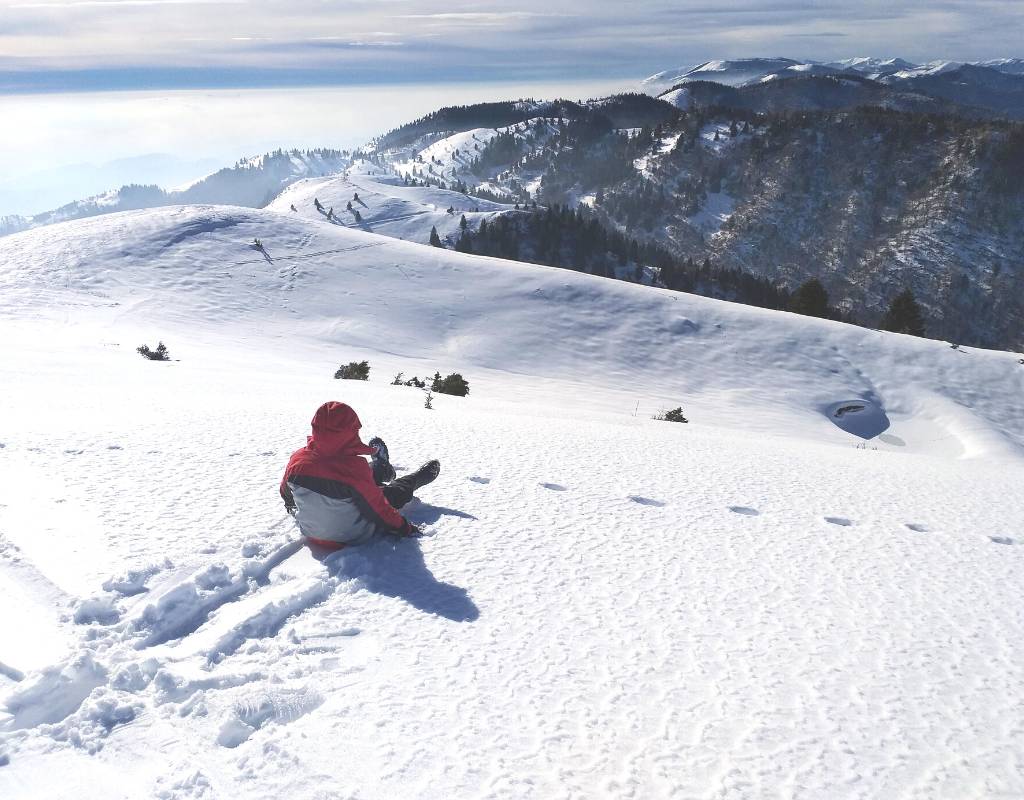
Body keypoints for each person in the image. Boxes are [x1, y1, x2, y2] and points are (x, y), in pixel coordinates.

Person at [280, 401, 440, 548]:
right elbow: (379, 510)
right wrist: (406, 528)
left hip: (311, 533)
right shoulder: (355, 468)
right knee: (393, 492)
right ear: (349, 432)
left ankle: (381, 467)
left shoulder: (298, 459)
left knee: (360, 478)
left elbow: (285, 492)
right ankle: (414, 478)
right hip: (351, 535)